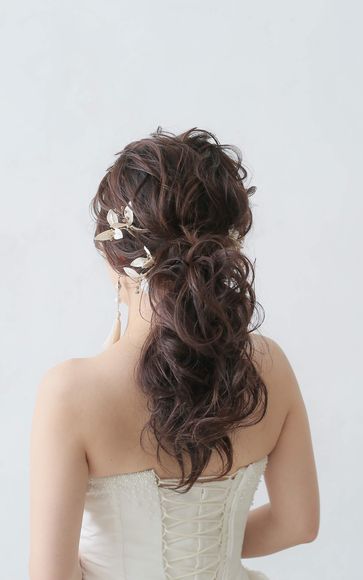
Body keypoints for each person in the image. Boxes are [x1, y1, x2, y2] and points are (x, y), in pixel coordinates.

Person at [29, 127, 320, 580]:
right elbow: (297, 524)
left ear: (114, 259)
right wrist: (216, 541)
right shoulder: (270, 366)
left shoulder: (71, 394)